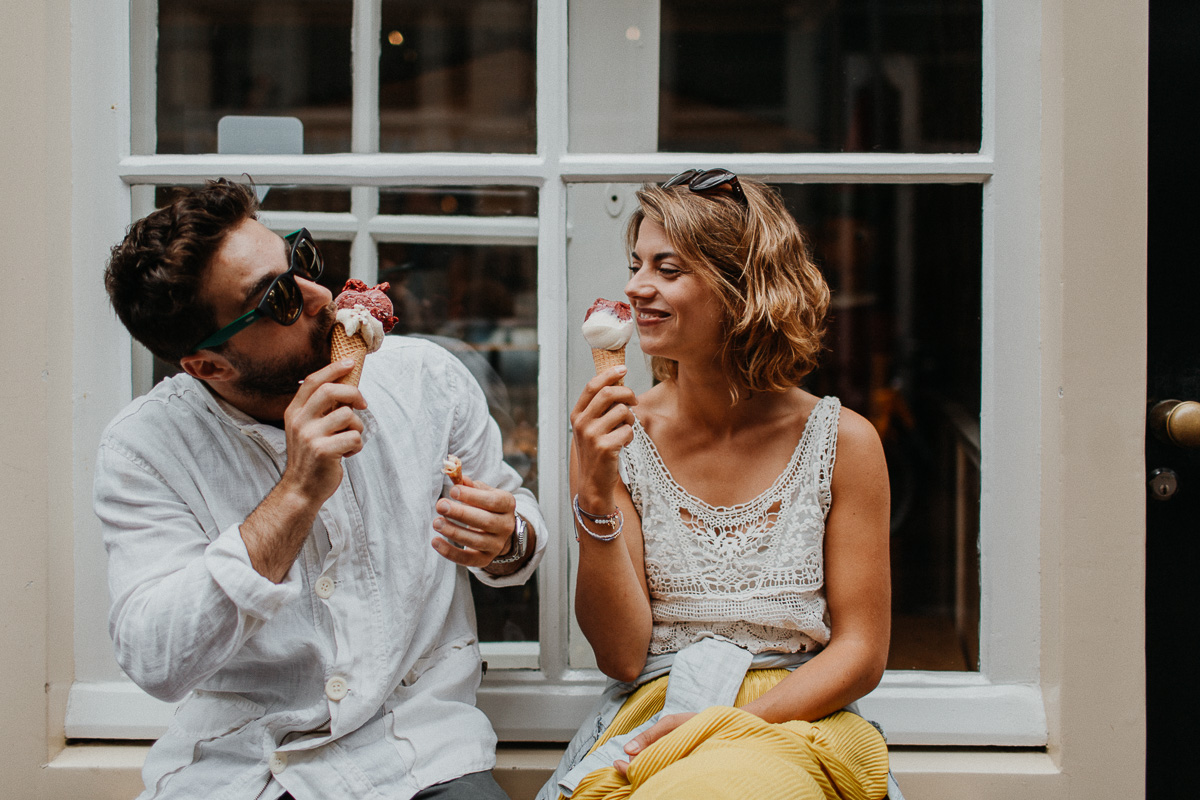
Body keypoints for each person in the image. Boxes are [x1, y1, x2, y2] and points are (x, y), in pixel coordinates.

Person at [96, 179, 547, 800]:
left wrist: (507, 539)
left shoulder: (426, 380)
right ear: (208, 365)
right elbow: (156, 659)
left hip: (418, 752)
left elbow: (518, 533)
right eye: (277, 299)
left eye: (300, 260)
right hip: (244, 765)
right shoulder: (144, 449)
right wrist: (296, 493)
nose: (317, 294)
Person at [538, 170, 896, 800]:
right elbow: (622, 657)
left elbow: (861, 652)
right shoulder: (615, 439)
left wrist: (724, 728)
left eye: (668, 269)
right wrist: (592, 497)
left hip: (795, 717)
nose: (634, 287)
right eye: (636, 263)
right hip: (654, 712)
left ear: (743, 289)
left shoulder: (845, 442)